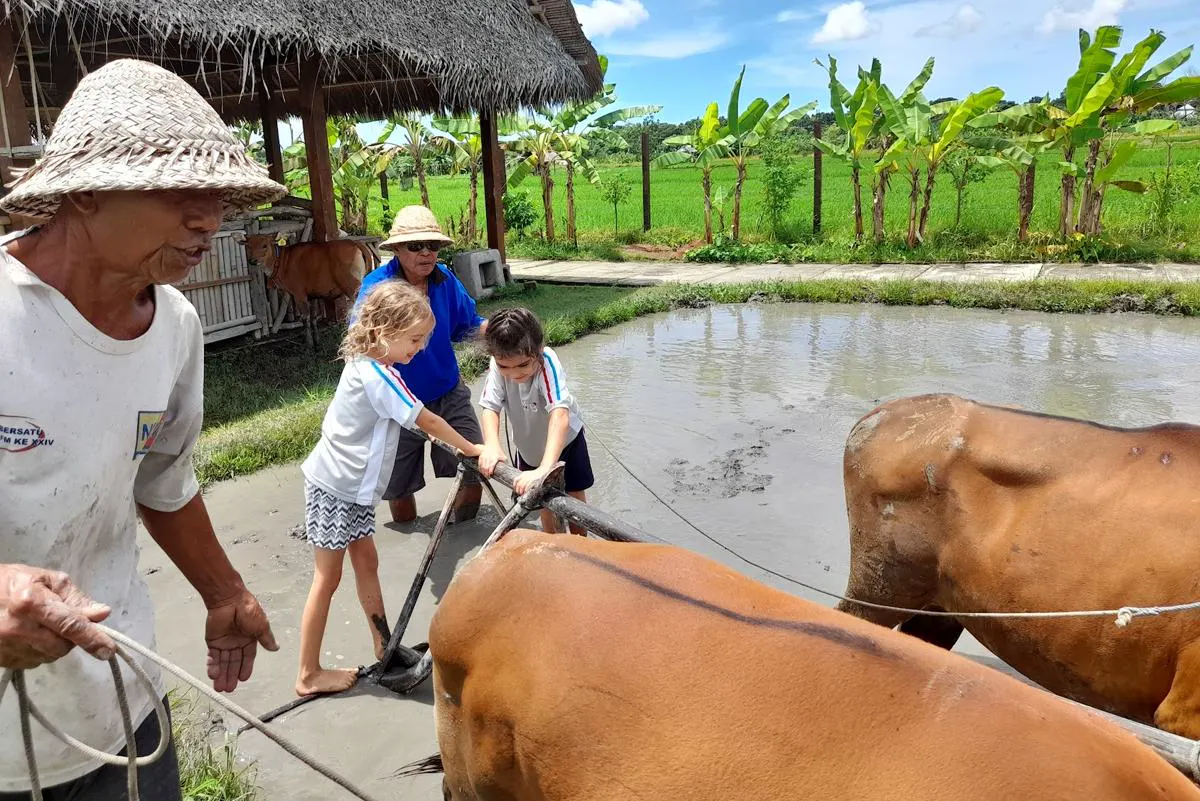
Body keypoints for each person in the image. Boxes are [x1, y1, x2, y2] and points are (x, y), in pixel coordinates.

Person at [0, 59, 284, 799]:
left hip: (126, 705)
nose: (209, 219)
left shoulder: (177, 328)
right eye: (179, 191)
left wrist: (224, 592)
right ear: (85, 193)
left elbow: (162, 478)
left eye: (218, 197)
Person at [296, 280, 483, 696]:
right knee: (326, 579)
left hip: (353, 490)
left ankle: (383, 644)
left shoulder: (372, 364)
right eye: (414, 340)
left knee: (367, 561)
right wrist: (474, 449)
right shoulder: (378, 375)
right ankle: (307, 672)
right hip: (334, 488)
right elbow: (426, 420)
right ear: (383, 332)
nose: (418, 349)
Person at [356, 205, 488, 526]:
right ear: (397, 250)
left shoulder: (445, 281)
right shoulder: (376, 288)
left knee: (472, 468)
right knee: (398, 488)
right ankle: (409, 531)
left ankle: (463, 531)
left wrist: (510, 335)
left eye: (433, 245)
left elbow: (468, 325)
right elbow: (360, 343)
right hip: (396, 404)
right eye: (416, 246)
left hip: (447, 392)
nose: (426, 253)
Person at [477, 308, 594, 535]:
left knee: (575, 494)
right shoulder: (497, 363)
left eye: (522, 365)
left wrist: (546, 468)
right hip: (528, 445)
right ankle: (552, 542)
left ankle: (582, 544)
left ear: (538, 350)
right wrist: (492, 445)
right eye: (505, 366)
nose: (513, 373)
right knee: (541, 501)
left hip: (567, 440)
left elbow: (560, 414)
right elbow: (490, 406)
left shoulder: (547, 361)